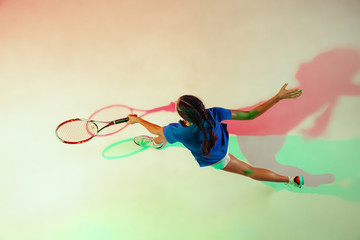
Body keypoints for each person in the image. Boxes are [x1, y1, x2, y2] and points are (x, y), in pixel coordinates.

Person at [127, 83, 304, 188]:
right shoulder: (214, 113)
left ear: (183, 116)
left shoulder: (180, 131)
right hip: (220, 146)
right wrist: (277, 98)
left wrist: (138, 121)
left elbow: (158, 130)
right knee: (166, 136)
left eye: (177, 106)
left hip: (218, 158)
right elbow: (250, 115)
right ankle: (291, 179)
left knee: (248, 171)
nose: (174, 103)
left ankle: (156, 144)